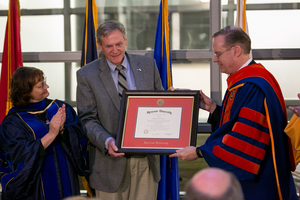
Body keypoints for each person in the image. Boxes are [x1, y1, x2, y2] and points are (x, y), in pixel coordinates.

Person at [170, 26, 298, 200]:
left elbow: (244, 138)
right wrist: (213, 109)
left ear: (236, 50)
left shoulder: (253, 85)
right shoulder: (250, 79)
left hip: (260, 180)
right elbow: (238, 122)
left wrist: (200, 152)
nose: (215, 59)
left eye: (218, 53)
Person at [76, 20, 163, 200]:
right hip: (109, 164)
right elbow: (87, 119)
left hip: (145, 162)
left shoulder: (148, 66)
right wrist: (107, 141)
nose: (115, 50)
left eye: (118, 44)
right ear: (99, 45)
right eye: (108, 46)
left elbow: (159, 106)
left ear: (126, 41)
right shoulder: (86, 75)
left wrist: (171, 102)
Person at [0, 67, 87, 200]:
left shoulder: (59, 108)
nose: (47, 86)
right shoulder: (13, 123)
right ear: (26, 92)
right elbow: (17, 158)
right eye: (41, 85)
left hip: (67, 183)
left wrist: (63, 129)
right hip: (35, 191)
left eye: (44, 81)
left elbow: (80, 140)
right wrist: (51, 134)